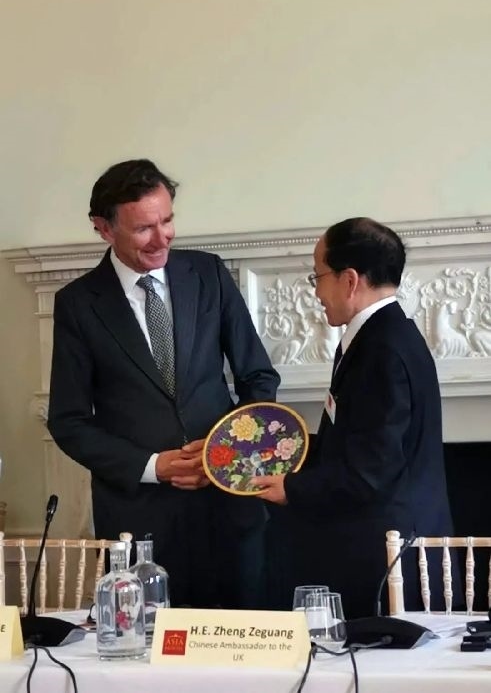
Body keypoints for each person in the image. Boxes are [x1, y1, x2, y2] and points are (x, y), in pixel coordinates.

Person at [47, 158, 280, 609]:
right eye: (143, 229)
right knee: (149, 646)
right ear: (103, 228)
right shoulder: (76, 304)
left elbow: (258, 377)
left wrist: (225, 455)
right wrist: (155, 466)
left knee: (242, 640)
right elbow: (68, 421)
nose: (162, 239)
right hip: (138, 519)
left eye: (167, 221)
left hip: (229, 506)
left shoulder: (209, 274)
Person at [254, 217, 456, 618]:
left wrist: (292, 488)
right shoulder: (386, 336)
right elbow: (358, 437)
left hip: (387, 560)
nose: (316, 292)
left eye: (318, 277)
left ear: (348, 280)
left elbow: (370, 470)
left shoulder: (381, 350)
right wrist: (278, 446)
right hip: (388, 547)